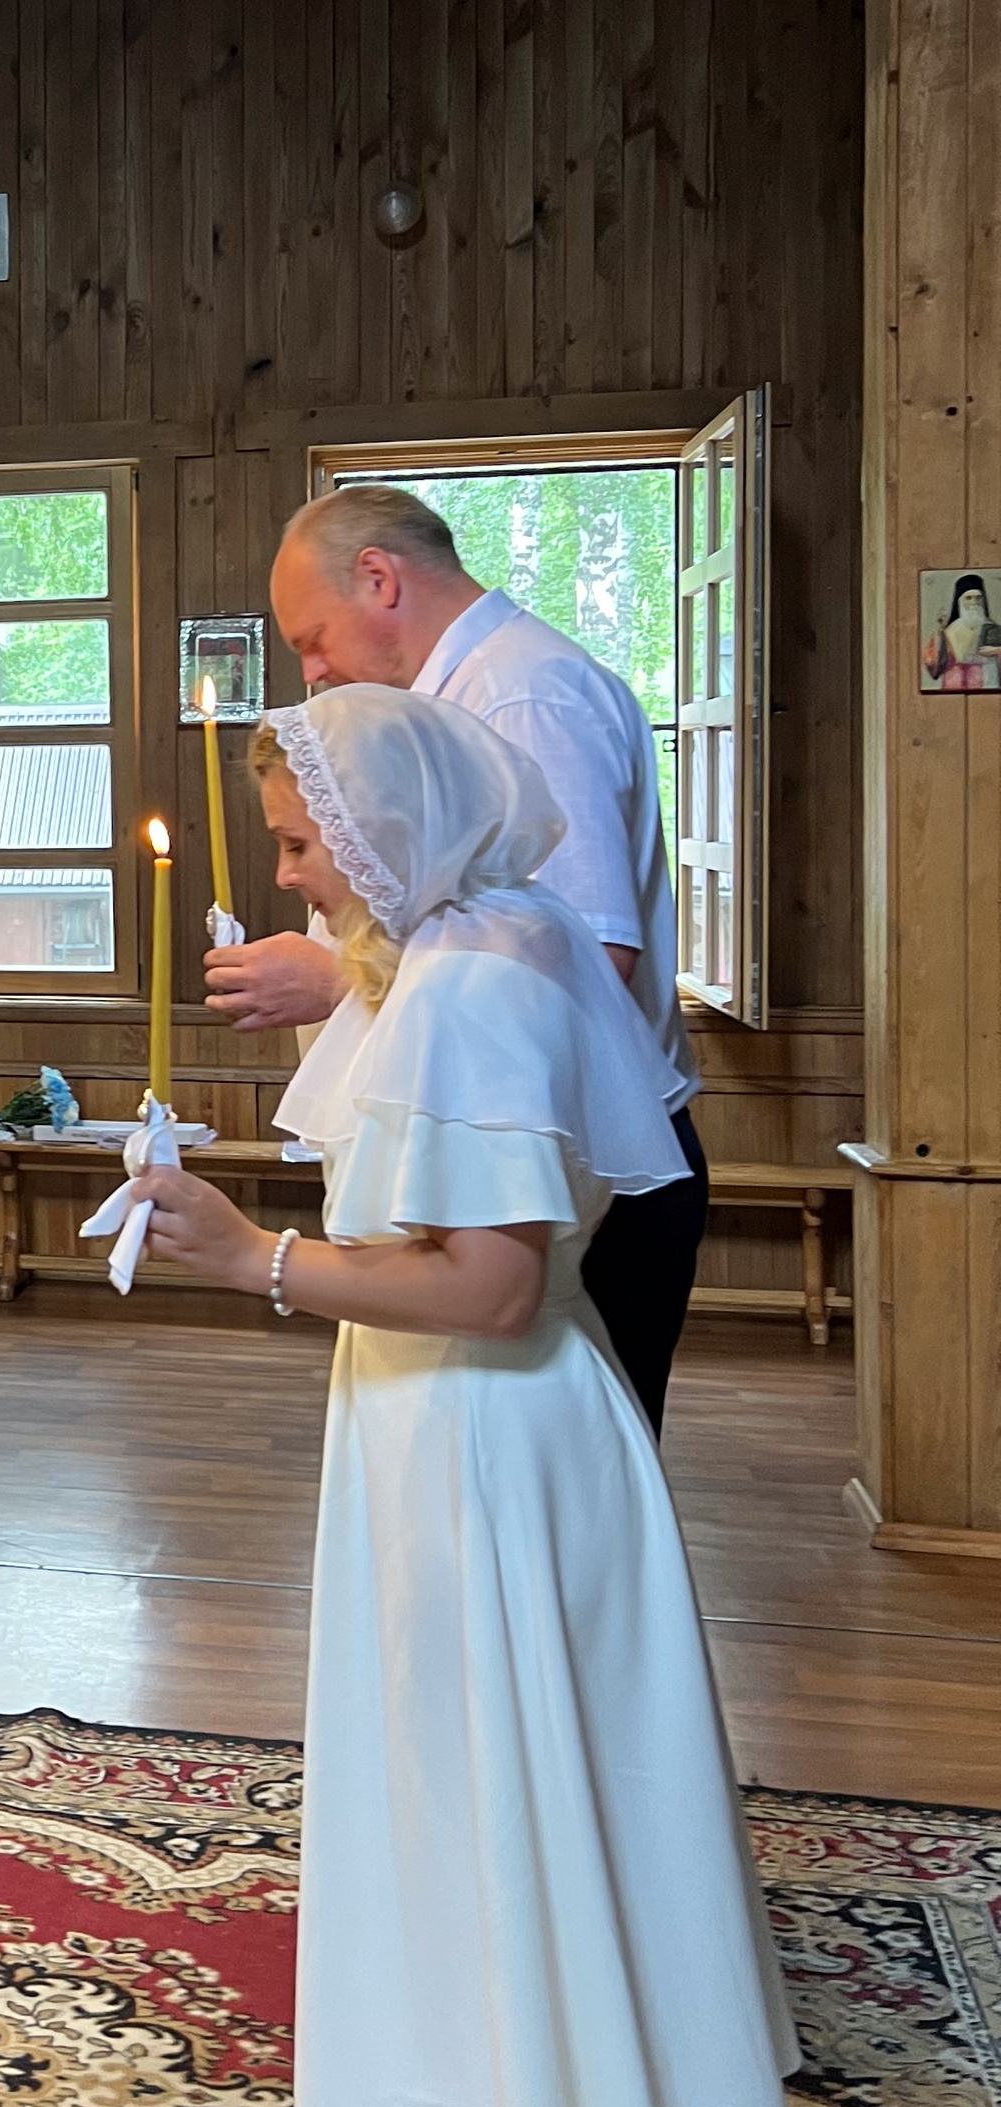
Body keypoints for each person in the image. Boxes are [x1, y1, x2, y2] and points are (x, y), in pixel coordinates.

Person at [129, 686, 797, 2107]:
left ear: (390, 830)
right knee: (488, 1804)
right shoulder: (484, 944)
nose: (293, 877)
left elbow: (490, 1284)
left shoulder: (477, 982)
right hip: (466, 1430)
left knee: (504, 1809)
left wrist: (250, 1258)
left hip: (487, 1432)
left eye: (305, 843)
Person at [209, 484, 704, 1434]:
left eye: (312, 637)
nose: (312, 671)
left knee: (548, 1462)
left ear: (379, 578)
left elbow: (584, 956)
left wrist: (333, 978)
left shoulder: (520, 691)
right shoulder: (456, 691)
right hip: (504, 1158)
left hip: (562, 1164)